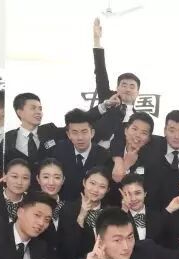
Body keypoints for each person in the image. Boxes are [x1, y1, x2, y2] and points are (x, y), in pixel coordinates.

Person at [89, 17, 141, 148]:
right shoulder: (107, 102)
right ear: (117, 88)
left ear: (137, 93)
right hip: (98, 154)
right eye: (124, 85)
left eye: (132, 86)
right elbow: (100, 73)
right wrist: (97, 41)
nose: (127, 89)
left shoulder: (139, 118)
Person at [54, 108, 111, 202]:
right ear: (68, 135)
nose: (80, 137)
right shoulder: (60, 150)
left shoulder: (104, 156)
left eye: (84, 132)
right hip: (64, 204)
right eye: (75, 133)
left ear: (92, 133)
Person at [57, 167, 110, 259]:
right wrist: (81, 217)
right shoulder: (67, 209)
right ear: (84, 182)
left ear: (107, 190)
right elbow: (68, 250)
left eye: (102, 187)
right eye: (92, 183)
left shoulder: (110, 212)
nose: (95, 189)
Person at [4, 93, 66, 167]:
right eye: (33, 108)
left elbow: (73, 128)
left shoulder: (51, 130)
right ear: (20, 112)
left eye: (40, 109)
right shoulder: (7, 139)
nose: (38, 112)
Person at [118, 174, 161, 242]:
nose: (133, 199)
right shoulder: (116, 217)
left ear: (145, 193)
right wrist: (124, 210)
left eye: (137, 193)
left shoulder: (158, 216)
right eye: (127, 194)